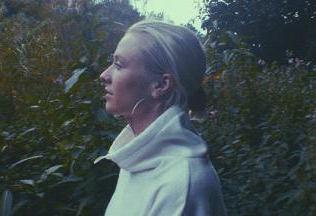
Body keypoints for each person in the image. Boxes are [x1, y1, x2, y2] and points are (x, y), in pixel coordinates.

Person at [96, 20, 227, 216]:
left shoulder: (181, 185)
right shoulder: (140, 155)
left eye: (119, 65)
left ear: (161, 85)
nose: (104, 75)